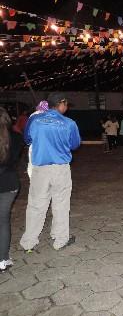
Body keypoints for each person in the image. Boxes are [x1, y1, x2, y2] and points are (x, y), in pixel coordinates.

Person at [20, 93, 81, 252]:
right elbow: (75, 145)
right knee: (61, 204)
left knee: (35, 205)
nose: (66, 108)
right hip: (60, 169)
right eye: (66, 104)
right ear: (60, 103)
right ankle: (60, 239)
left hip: (40, 168)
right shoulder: (69, 123)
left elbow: (27, 139)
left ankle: (29, 242)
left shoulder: (34, 120)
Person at [0, 108, 23, 271]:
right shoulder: (16, 137)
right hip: (9, 183)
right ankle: (2, 259)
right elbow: (14, 159)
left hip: (8, 182)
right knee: (3, 221)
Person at [27, 101, 49, 178]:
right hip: (49, 146)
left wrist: (29, 142)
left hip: (35, 145)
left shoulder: (33, 116)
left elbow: (27, 134)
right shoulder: (53, 116)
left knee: (33, 166)